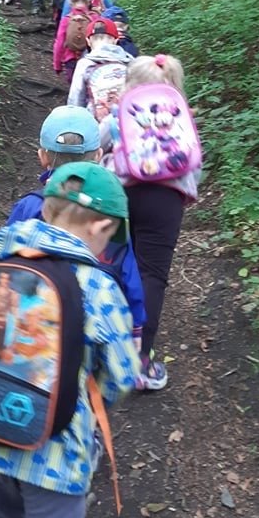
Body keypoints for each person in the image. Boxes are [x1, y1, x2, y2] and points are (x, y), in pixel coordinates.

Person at [0, 161, 141, 518]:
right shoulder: (98, 288)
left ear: (46, 209)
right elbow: (123, 374)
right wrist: (90, 399)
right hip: (56, 456)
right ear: (101, 227)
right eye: (111, 238)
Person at [7, 105, 145, 357]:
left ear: (42, 157)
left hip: (31, 324)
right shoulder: (110, 213)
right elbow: (128, 273)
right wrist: (135, 327)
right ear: (99, 155)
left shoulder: (29, 207)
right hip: (93, 327)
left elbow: (6, 259)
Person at [99, 54, 201, 391]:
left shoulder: (119, 113)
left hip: (117, 194)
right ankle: (139, 364)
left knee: (110, 266)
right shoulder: (181, 116)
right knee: (152, 276)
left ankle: (100, 352)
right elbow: (194, 163)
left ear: (130, 83)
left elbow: (97, 147)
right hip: (165, 199)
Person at [67, 17, 133, 121]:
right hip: (127, 119)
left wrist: (73, 121)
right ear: (116, 40)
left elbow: (76, 97)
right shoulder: (130, 61)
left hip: (95, 122)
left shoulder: (85, 64)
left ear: (88, 41)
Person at [52, 0, 92, 84]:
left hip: (70, 59)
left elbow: (59, 43)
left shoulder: (66, 20)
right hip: (89, 59)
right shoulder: (94, 19)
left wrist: (57, 64)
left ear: (69, 1)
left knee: (74, 84)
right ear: (89, 1)